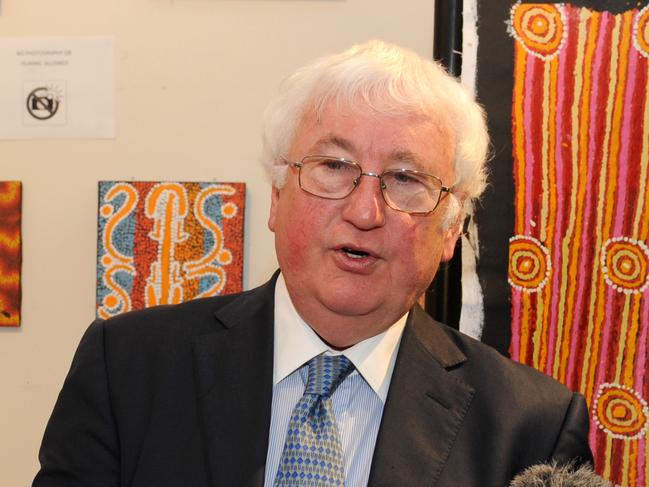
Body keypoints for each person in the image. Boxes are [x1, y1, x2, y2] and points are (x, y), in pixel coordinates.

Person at [33, 41, 593, 487]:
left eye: (405, 178)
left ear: (451, 229)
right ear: (276, 196)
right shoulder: (127, 368)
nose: (365, 211)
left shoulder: (532, 427)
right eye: (334, 164)